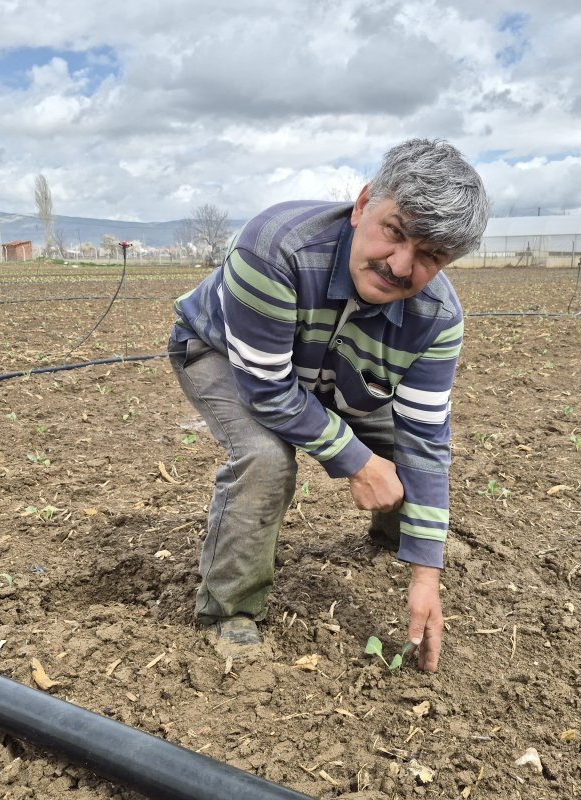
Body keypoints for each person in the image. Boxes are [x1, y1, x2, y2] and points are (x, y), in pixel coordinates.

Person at [168, 139, 489, 672]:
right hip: (227, 355)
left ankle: (399, 539)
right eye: (395, 231)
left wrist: (426, 571)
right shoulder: (274, 248)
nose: (400, 265)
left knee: (397, 444)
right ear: (363, 205)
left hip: (332, 369)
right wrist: (357, 462)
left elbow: (427, 441)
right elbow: (269, 390)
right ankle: (229, 609)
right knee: (266, 457)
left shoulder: (437, 319)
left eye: (430, 255)